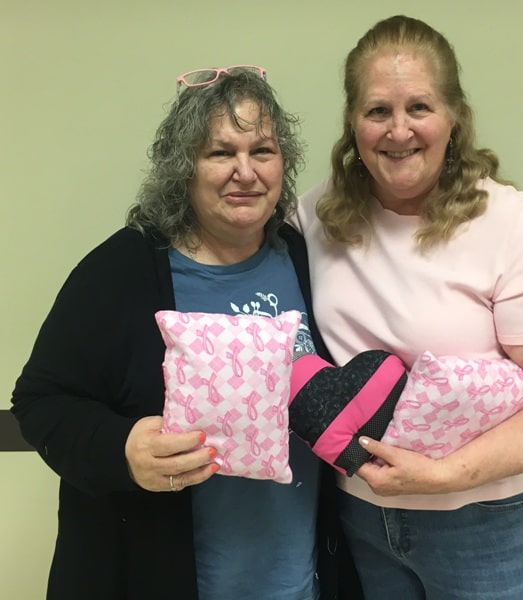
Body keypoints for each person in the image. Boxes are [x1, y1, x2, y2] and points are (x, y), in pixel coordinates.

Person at [11, 66, 361, 600]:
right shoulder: (122, 272)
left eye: (262, 151)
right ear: (184, 168)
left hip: (298, 579)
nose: (245, 172)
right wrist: (122, 448)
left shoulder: (304, 257)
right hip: (162, 577)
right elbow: (39, 402)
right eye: (221, 153)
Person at [292, 15, 523, 600]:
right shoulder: (316, 218)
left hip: (485, 529)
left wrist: (442, 477)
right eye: (378, 110)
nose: (399, 130)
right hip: (358, 522)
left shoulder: (510, 224)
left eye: (420, 107)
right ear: (353, 124)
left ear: (454, 116)